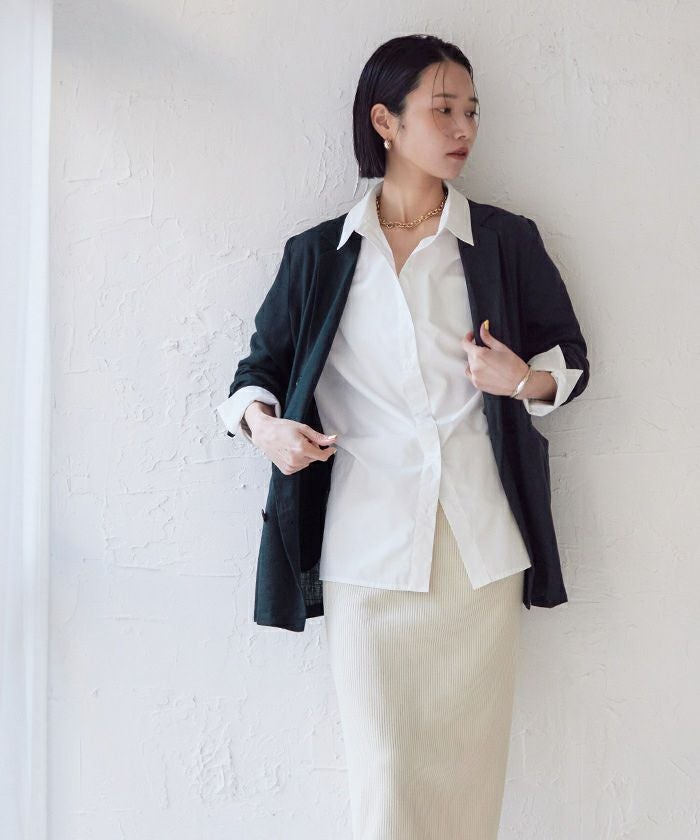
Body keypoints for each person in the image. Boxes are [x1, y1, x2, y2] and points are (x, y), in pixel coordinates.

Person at [217, 34, 589, 840]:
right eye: (443, 109)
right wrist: (266, 430)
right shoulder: (320, 255)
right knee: (384, 785)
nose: (464, 128)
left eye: (472, 112)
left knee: (469, 793)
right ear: (384, 121)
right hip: (367, 553)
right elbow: (255, 374)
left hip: (478, 554)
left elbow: (571, 361)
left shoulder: (504, 241)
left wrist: (520, 379)